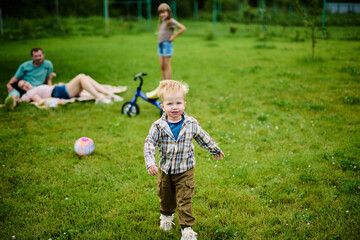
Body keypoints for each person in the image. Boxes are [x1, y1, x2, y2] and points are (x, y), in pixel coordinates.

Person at [144, 80, 225, 240]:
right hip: (166, 170)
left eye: (179, 103)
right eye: (170, 104)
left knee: (185, 199)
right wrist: (151, 162)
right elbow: (149, 143)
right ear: (162, 106)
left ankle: (187, 229)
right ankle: (166, 217)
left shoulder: (191, 123)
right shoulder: (158, 126)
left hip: (185, 170)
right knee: (165, 196)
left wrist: (213, 148)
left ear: (185, 103)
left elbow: (202, 137)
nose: (175, 107)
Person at [13, 73, 123, 105]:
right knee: (81, 77)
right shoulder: (30, 92)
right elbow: (41, 101)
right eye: (22, 86)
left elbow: (47, 89)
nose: (26, 85)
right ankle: (99, 97)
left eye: (25, 82)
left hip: (59, 89)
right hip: (60, 92)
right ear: (23, 90)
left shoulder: (35, 87)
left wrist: (49, 79)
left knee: (86, 78)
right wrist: (55, 101)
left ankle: (109, 94)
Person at [157, 3, 186, 80]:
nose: (162, 14)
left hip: (167, 44)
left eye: (164, 12)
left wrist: (173, 36)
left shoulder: (171, 21)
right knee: (162, 66)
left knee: (167, 65)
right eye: (160, 12)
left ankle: (169, 84)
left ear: (168, 12)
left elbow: (183, 28)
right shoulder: (162, 21)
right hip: (160, 44)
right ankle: (164, 83)